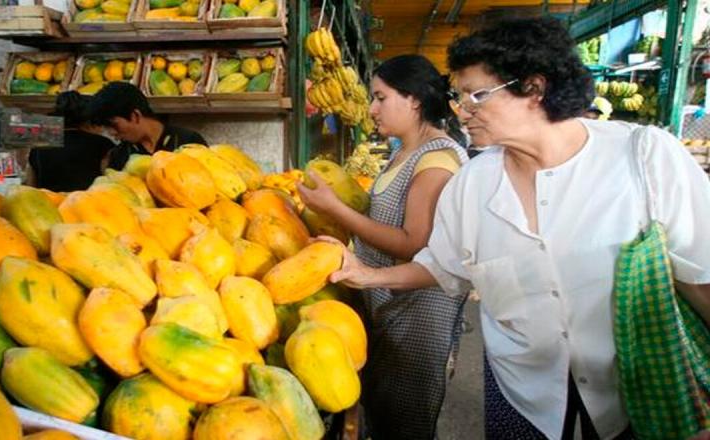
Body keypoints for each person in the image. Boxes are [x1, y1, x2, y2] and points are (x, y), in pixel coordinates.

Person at [324, 17, 710, 440]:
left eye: (476, 95)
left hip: (635, 386)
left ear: (534, 88)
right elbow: (442, 265)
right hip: (523, 389)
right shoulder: (473, 183)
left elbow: (701, 277)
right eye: (459, 96)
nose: (462, 111)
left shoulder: (644, 157)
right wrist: (365, 275)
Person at [298, 54, 469, 440]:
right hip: (389, 302)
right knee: (383, 411)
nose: (372, 109)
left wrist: (335, 209)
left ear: (414, 100)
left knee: (405, 421)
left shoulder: (437, 160)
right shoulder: (406, 149)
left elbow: (413, 244)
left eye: (380, 97)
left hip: (416, 314)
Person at [88, 82, 207, 170]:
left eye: (113, 125)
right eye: (106, 127)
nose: (112, 133)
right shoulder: (119, 156)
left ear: (135, 115)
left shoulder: (188, 141)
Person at [27, 91, 115, 192]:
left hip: (48, 201)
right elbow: (112, 183)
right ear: (87, 119)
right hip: (90, 201)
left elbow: (30, 188)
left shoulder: (39, 148)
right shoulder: (103, 145)